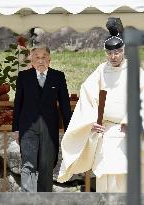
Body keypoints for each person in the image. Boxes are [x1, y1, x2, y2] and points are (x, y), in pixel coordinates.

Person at [57, 20, 144, 192]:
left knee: (130, 179)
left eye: (118, 52)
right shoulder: (100, 71)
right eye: (110, 53)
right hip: (108, 132)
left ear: (123, 51)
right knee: (106, 177)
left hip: (130, 133)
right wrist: (92, 121)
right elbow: (87, 97)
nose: (114, 56)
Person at [12, 46, 71, 192]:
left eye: (44, 57)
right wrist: (16, 129)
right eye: (37, 57)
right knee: (28, 164)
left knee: (46, 165)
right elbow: (17, 103)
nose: (40, 60)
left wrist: (69, 129)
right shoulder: (23, 77)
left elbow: (65, 105)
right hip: (27, 127)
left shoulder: (58, 76)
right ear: (31, 60)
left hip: (49, 127)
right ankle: (29, 200)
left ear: (49, 59)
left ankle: (44, 199)